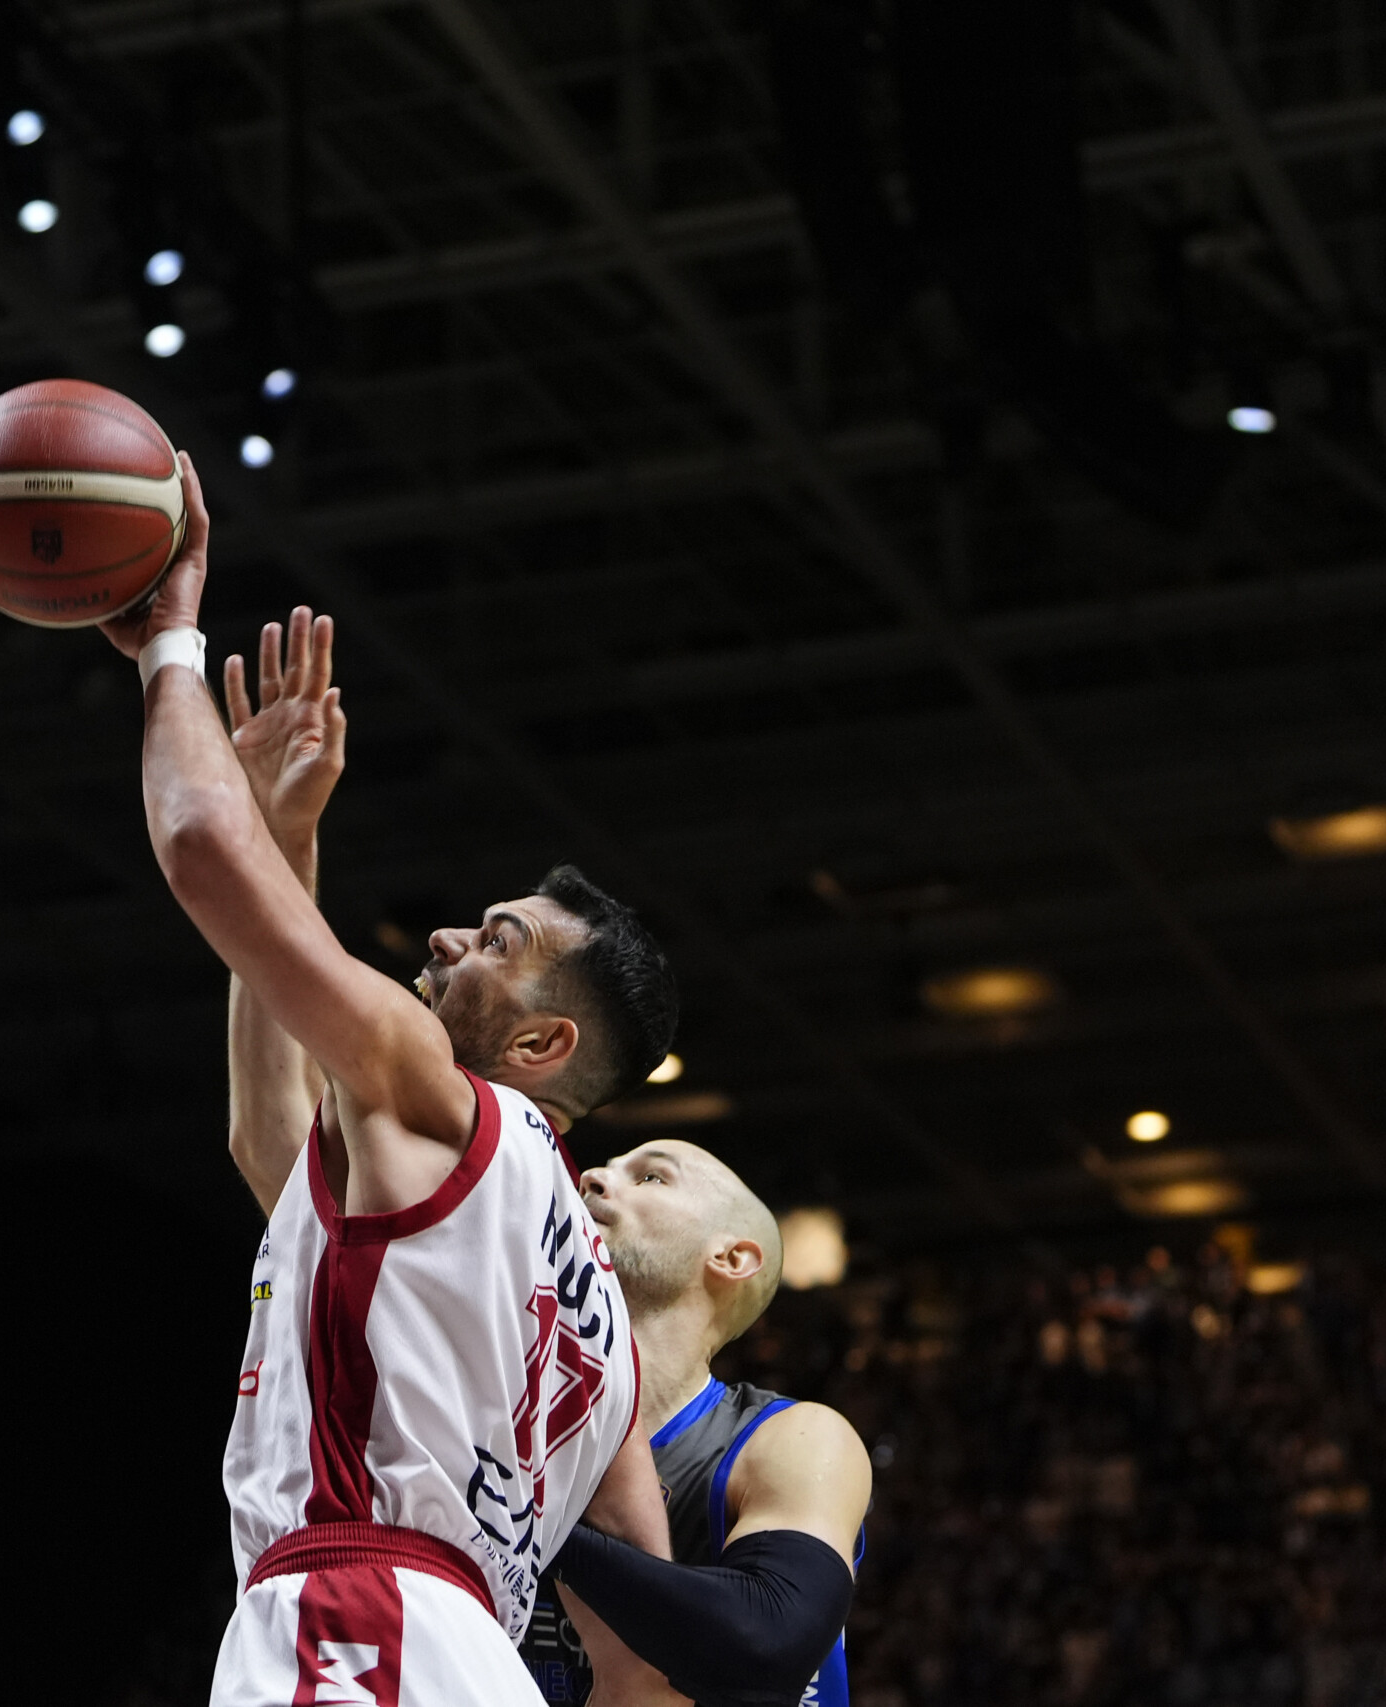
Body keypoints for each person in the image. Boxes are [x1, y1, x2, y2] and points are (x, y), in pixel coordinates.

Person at [100, 456, 680, 1707]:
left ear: (540, 1050)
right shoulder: (604, 1338)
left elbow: (199, 849)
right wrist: (291, 839)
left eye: (498, 943)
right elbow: (275, 1150)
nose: (446, 941)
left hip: (355, 1621)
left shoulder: (434, 1092)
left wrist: (169, 648)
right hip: (471, 1659)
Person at [520, 1142, 872, 1707]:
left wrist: (532, 1528)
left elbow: (764, 1642)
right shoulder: (507, 1428)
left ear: (733, 1257)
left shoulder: (793, 1438)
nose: (592, 1177)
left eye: (653, 1177)